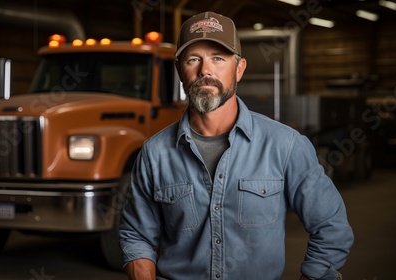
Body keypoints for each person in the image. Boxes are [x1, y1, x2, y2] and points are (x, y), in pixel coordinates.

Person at [119, 11, 353, 280]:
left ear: (239, 69)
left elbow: (332, 228)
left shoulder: (285, 146)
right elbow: (136, 235)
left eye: (218, 58)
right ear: (179, 70)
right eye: (194, 59)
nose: (205, 70)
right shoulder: (155, 153)